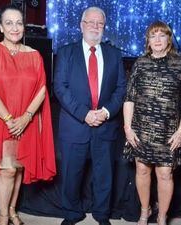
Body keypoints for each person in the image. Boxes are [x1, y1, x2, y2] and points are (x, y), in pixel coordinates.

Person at [0, 4, 56, 225]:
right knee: (7, 171)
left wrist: (26, 117)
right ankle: (3, 216)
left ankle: (13, 210)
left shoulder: (35, 56)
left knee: (18, 168)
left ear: (24, 26)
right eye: (9, 23)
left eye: (19, 23)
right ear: (1, 27)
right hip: (2, 121)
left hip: (27, 121)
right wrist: (10, 120)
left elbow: (42, 89)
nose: (15, 27)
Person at [54, 6, 126, 225]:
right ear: (81, 25)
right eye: (91, 22)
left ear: (104, 27)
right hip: (75, 125)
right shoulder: (66, 52)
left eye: (100, 23)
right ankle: (71, 212)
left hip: (105, 126)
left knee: (104, 175)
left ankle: (102, 214)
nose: (95, 27)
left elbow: (121, 88)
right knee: (71, 174)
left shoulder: (114, 54)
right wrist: (84, 114)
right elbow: (60, 87)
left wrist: (105, 112)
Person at [123, 21, 181, 225]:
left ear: (168, 39)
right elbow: (129, 98)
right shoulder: (140, 63)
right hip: (141, 130)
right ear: (148, 40)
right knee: (142, 170)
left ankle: (162, 217)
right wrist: (128, 128)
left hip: (168, 132)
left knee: (164, 174)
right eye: (153, 36)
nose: (157, 40)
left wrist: (180, 132)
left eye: (161, 35)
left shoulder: (179, 64)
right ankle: (145, 212)